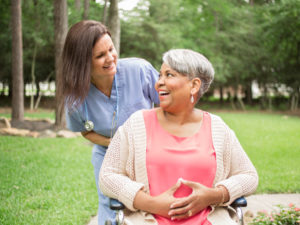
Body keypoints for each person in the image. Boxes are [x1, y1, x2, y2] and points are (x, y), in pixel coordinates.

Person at [99, 49, 258, 225]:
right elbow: (108, 176)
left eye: (169, 75)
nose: (158, 83)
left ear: (194, 85)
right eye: (160, 76)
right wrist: (150, 203)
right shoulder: (137, 124)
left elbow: (249, 175)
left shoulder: (217, 128)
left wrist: (214, 195)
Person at [58, 20, 159, 225]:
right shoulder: (75, 99)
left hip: (151, 152)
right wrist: (113, 144)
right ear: (83, 62)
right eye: (100, 55)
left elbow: (169, 105)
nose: (110, 58)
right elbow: (85, 131)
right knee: (111, 208)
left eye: (111, 49)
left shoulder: (139, 71)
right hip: (108, 156)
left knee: (154, 204)